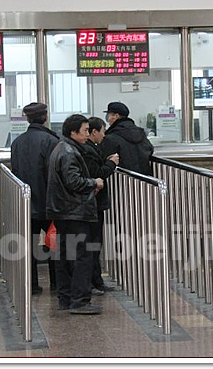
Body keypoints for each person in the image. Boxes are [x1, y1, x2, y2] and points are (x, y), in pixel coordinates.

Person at [47, 114, 104, 314]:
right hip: (74, 211)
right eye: (85, 130)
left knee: (65, 255)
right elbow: (73, 181)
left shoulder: (61, 148)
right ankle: (80, 300)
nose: (88, 134)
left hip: (62, 210)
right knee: (82, 256)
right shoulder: (70, 152)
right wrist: (94, 183)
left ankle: (66, 297)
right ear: (73, 132)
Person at [10, 102, 59, 294]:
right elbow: (54, 174)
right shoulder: (51, 141)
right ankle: (56, 284)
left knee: (28, 247)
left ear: (27, 118)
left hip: (26, 203)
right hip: (48, 204)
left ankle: (32, 285)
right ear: (45, 117)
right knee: (55, 244)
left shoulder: (17, 142)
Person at [84, 117, 119, 295]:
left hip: (94, 204)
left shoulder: (92, 149)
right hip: (93, 204)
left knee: (95, 244)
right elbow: (97, 174)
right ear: (94, 132)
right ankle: (93, 281)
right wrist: (111, 164)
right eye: (103, 131)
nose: (104, 136)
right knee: (93, 243)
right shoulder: (88, 151)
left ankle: (96, 280)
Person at [100, 102, 154, 176]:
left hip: (122, 181)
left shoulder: (110, 138)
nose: (108, 120)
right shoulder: (141, 133)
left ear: (116, 116)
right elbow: (150, 149)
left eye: (108, 116)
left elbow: (105, 162)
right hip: (144, 180)